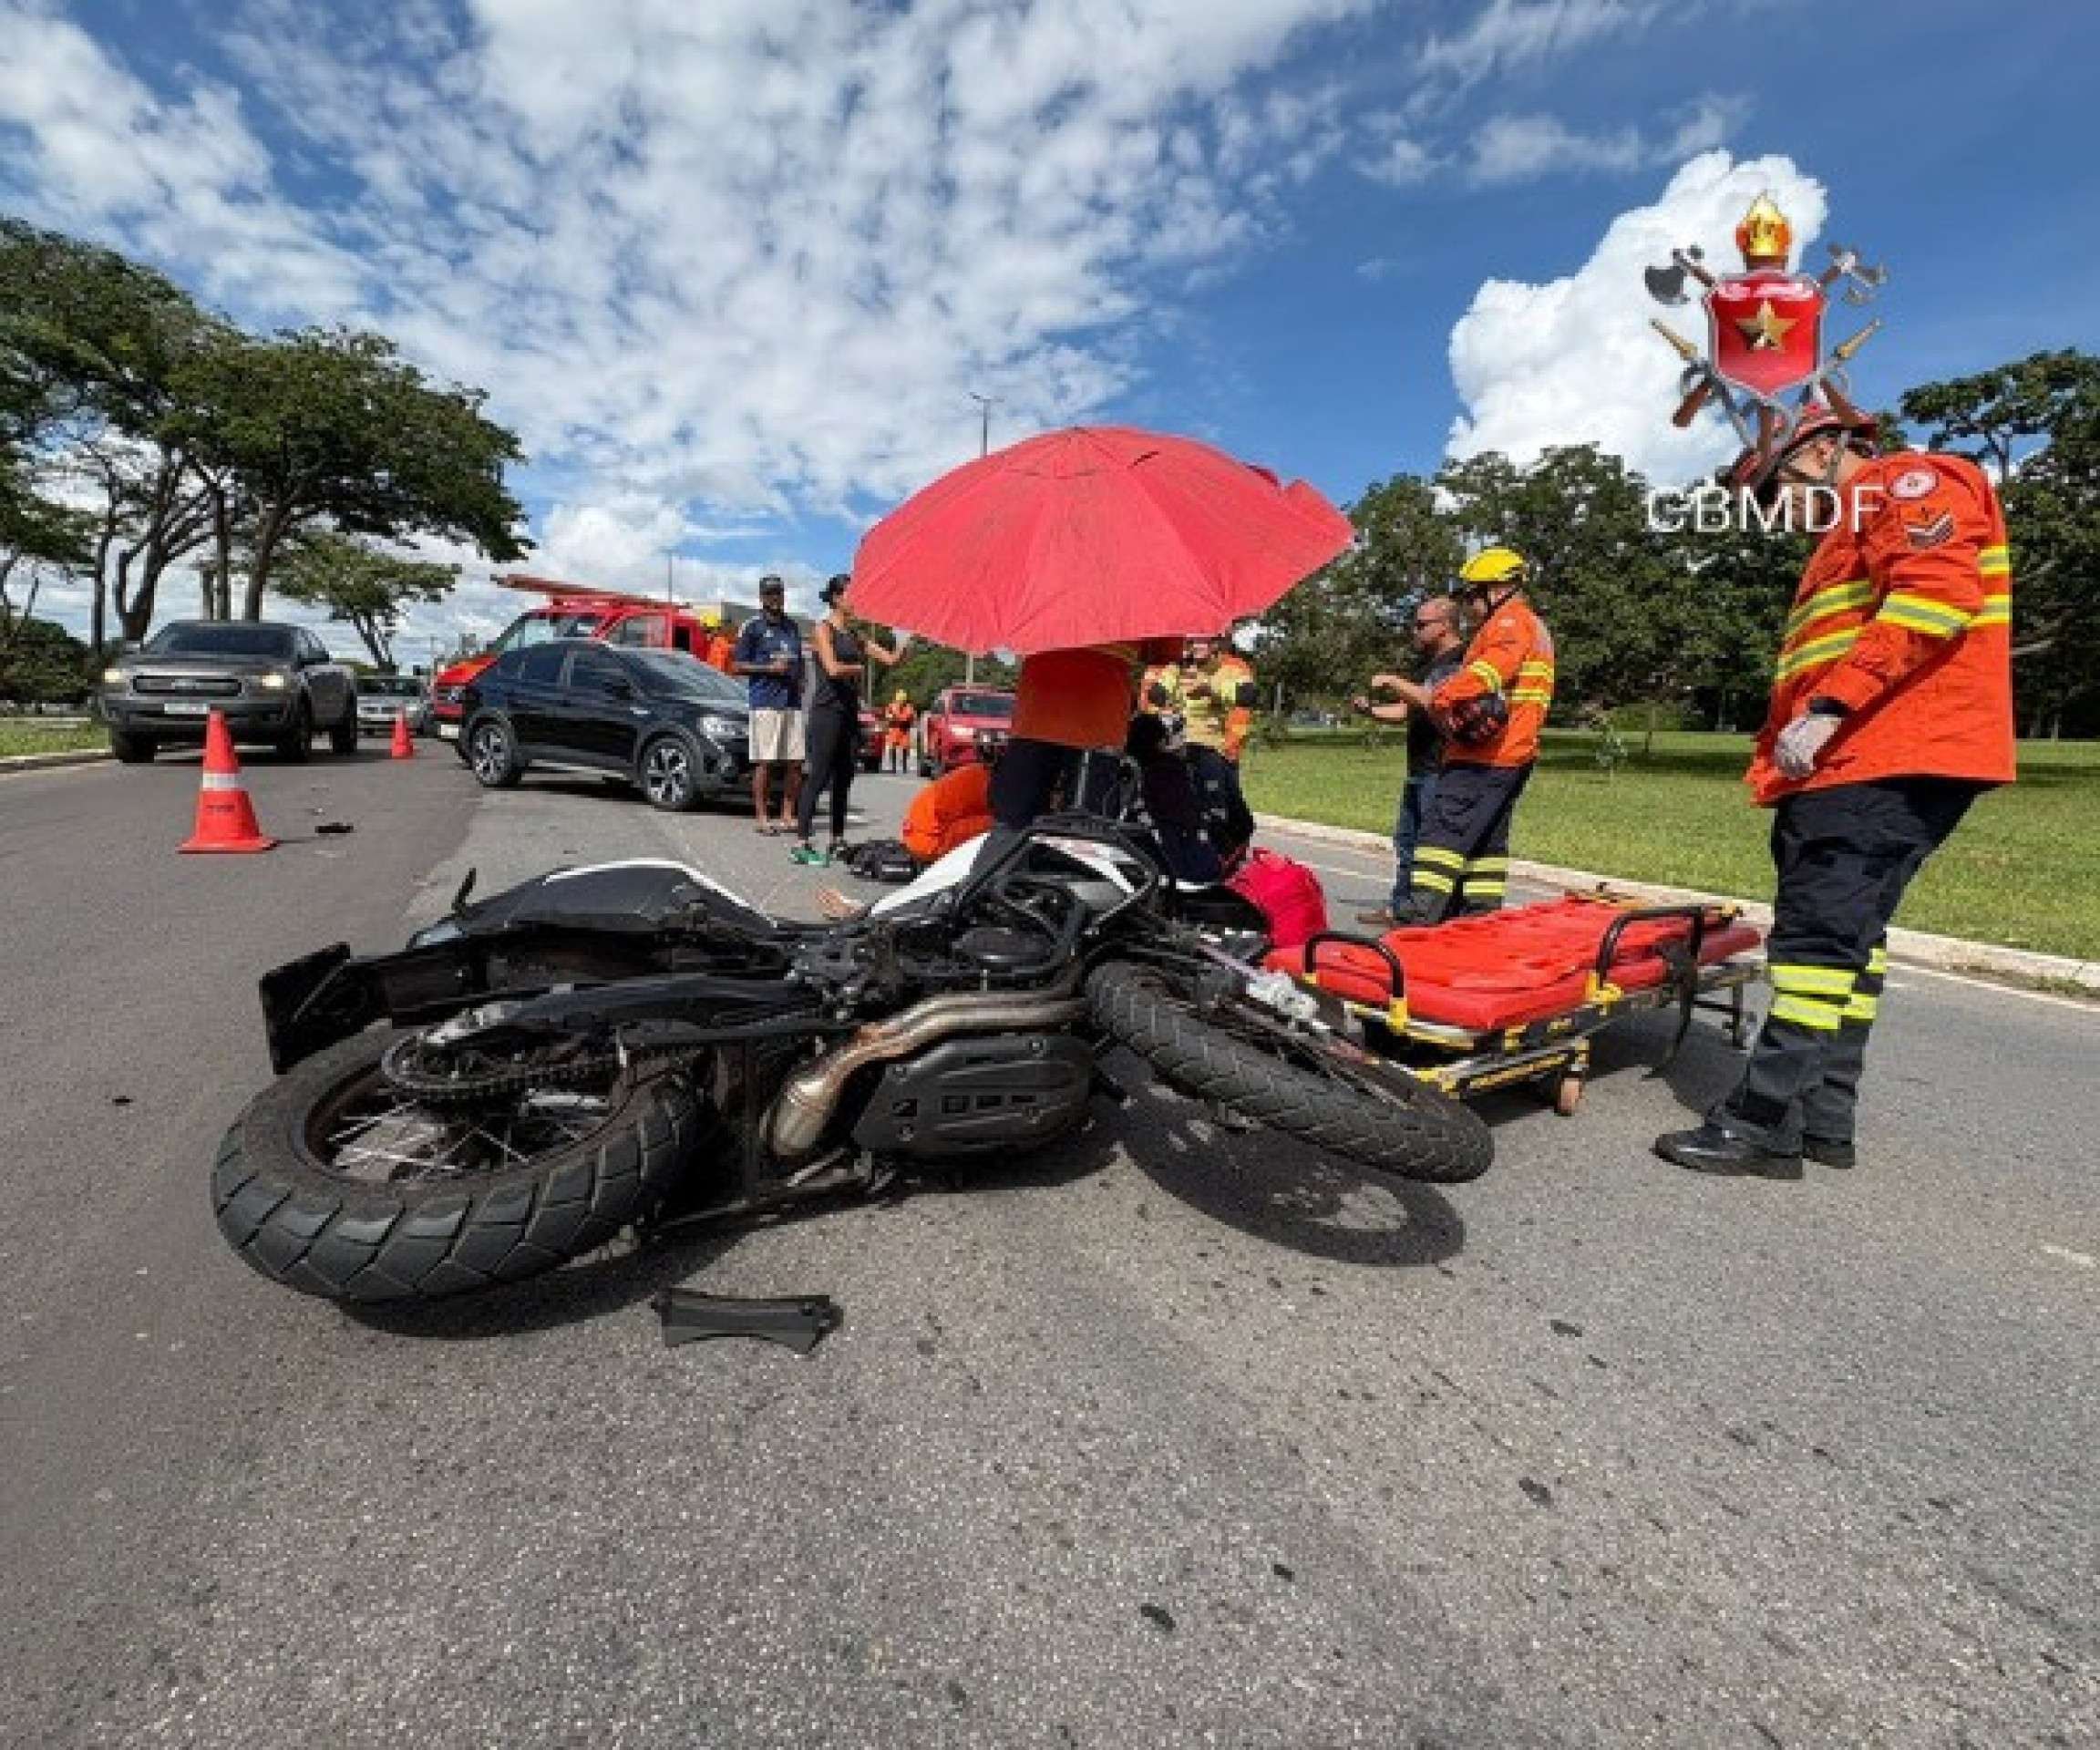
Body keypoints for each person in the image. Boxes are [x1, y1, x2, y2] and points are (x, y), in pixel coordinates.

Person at [1655, 408, 2014, 1177]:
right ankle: (1825, 1119)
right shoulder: (1845, 533)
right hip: (1867, 758)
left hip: (1877, 754)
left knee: (1815, 947)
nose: (1777, 513)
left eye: (1774, 490)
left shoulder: (1902, 483)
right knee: (1851, 946)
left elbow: (1932, 599)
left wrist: (1829, 708)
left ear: (1821, 450)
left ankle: (1762, 1123)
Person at [1378, 547, 1556, 923]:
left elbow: (1489, 674)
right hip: (1513, 754)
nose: (1469, 605)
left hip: (1485, 755)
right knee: (1486, 847)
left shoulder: (1508, 624)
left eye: (1472, 595)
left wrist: (1441, 698)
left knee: (1440, 837)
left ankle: (1417, 921)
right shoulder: (1533, 626)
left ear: (1496, 590)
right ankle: (1478, 920)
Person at [1352, 594, 1467, 927]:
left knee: (1432, 846)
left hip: (1442, 768)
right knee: (1406, 842)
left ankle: (1429, 911)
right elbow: (1406, 710)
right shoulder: (1427, 663)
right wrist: (1370, 711)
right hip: (1418, 767)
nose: (1414, 631)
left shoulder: (1461, 659)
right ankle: (1400, 907)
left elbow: (1432, 699)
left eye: (1421, 624)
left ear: (1445, 625)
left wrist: (1392, 680)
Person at [791, 575, 904, 866]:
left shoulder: (856, 636)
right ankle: (801, 843)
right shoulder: (823, 630)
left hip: (849, 715)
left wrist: (907, 639)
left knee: (844, 778)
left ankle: (836, 839)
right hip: (826, 713)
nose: (858, 602)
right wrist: (857, 667)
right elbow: (831, 668)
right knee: (818, 777)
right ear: (837, 598)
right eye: (853, 595)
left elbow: (890, 660)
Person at [1179, 631, 1259, 863]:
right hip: (1179, 751)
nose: (1197, 645)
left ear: (1218, 641)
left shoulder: (1232, 667)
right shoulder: (1177, 669)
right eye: (1193, 640)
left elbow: (1247, 696)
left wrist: (1211, 690)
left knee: (1232, 817)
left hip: (1217, 751)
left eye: (1204, 639)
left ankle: (1230, 860)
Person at [733, 576, 805, 835]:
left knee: (795, 762)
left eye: (779, 593)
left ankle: (787, 814)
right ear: (762, 597)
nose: (776, 598)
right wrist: (768, 668)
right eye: (770, 594)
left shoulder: (792, 627)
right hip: (765, 701)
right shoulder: (752, 627)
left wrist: (802, 680)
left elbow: (800, 659)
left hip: (792, 702)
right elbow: (738, 665)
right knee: (764, 762)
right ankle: (762, 817)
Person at [1126, 711, 1222, 884]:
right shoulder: (1170, 770)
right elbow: (1184, 813)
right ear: (1161, 741)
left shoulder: (1126, 768)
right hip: (1178, 861)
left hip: (1144, 855)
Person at [901, 745, 998, 862]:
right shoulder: (990, 782)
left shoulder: (976, 771)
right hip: (931, 841)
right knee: (1003, 824)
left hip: (915, 835)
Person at [882, 689, 916, 775]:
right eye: (900, 700)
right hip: (894, 730)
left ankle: (904, 767)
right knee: (892, 747)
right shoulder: (891, 706)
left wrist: (896, 718)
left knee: (904, 748)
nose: (901, 702)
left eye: (903, 700)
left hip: (904, 730)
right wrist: (891, 717)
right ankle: (893, 767)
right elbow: (887, 715)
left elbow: (909, 717)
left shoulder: (909, 707)